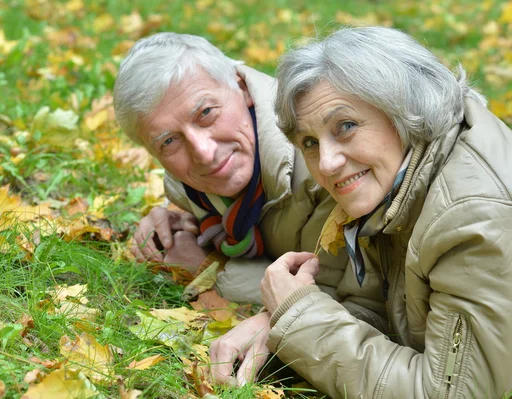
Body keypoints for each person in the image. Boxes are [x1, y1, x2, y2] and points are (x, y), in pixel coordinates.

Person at [210, 26, 512, 397]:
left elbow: (452, 393)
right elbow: (381, 308)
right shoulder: (398, 179)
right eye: (309, 142)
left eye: (346, 126)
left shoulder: (470, 215)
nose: (327, 163)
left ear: (405, 108)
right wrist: (274, 326)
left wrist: (297, 316)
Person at [113, 34, 392, 382]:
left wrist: (210, 267)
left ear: (242, 88)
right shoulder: (190, 190)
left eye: (206, 113)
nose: (203, 151)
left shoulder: (326, 162)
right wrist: (174, 221)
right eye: (169, 141)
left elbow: (352, 296)